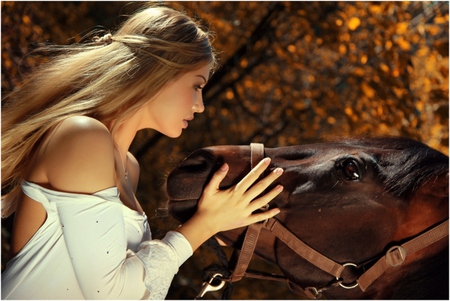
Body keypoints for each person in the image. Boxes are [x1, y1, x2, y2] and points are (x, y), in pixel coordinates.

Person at [1, 4, 283, 300]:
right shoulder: (83, 137)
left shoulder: (128, 167)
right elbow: (109, 294)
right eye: (196, 86)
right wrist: (205, 224)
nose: (200, 105)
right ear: (160, 73)